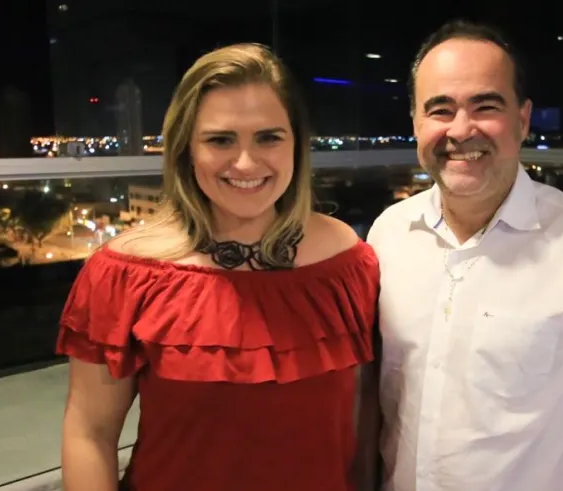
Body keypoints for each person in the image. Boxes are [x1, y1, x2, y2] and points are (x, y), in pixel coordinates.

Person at [56, 43, 380, 491]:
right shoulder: (123, 273)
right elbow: (89, 433)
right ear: (186, 149)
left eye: (269, 137)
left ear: (297, 145)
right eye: (220, 140)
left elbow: (362, 416)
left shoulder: (348, 262)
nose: (245, 163)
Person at [367, 20, 563, 491]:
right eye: (440, 109)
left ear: (523, 120)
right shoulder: (388, 234)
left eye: (485, 106)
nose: (461, 129)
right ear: (415, 123)